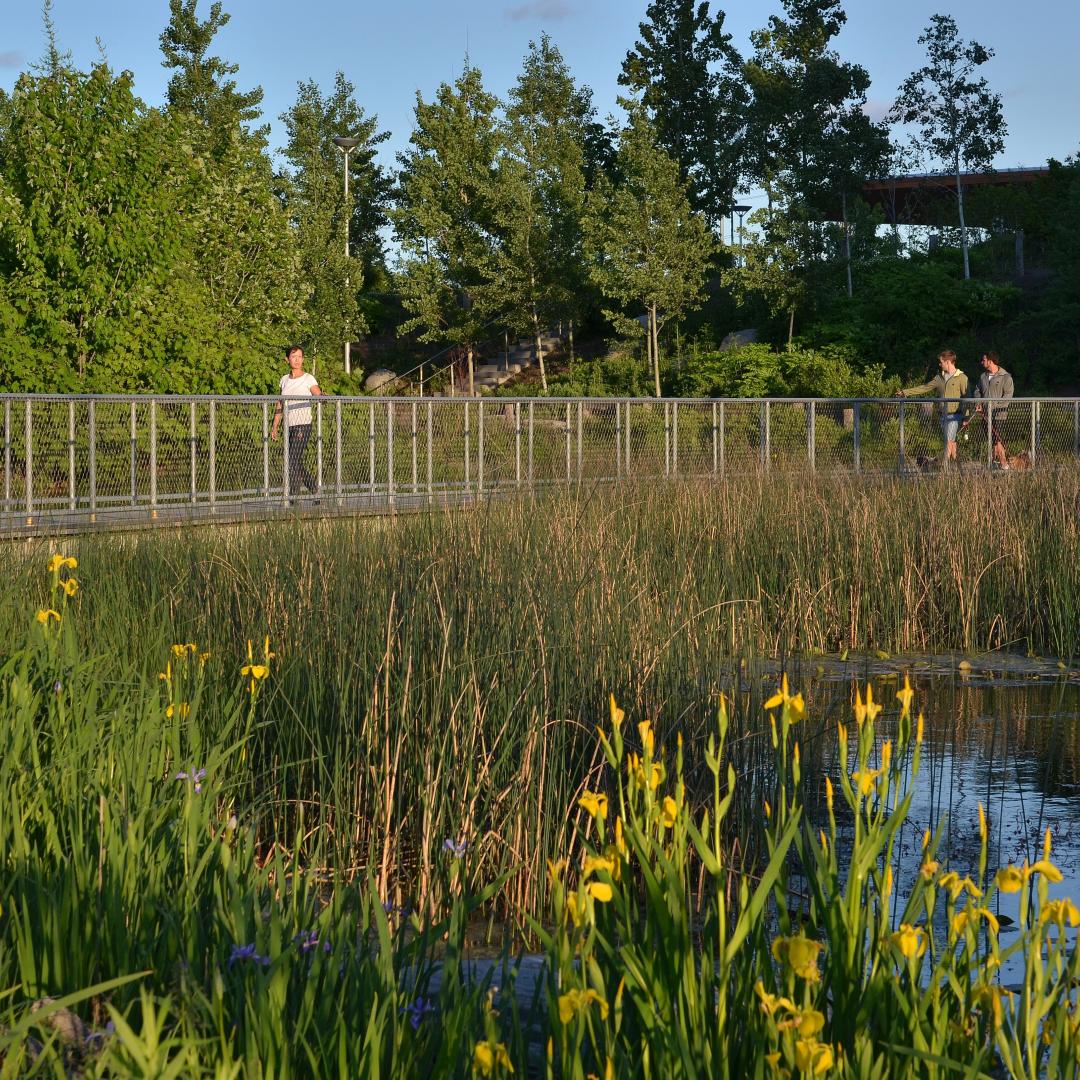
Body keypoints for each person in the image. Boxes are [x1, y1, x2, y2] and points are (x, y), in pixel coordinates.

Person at [896, 349, 970, 465]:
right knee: (952, 444)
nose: (940, 364)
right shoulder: (938, 378)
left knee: (948, 442)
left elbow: (967, 399)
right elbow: (924, 387)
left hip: (955, 416)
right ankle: (961, 472)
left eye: (941, 362)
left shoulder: (962, 378)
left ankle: (943, 471)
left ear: (948, 362)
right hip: (942, 416)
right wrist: (905, 392)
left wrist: (966, 417)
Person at [271, 346, 323, 499]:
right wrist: (275, 426)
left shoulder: (308, 378)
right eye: (294, 357)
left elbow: (317, 393)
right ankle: (313, 490)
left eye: (300, 357)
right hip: (289, 425)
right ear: (287, 359)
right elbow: (280, 403)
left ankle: (295, 496)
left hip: (303, 425)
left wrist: (323, 396)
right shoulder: (284, 380)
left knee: (292, 459)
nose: (297, 360)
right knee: (292, 461)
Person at [964, 350, 1015, 470]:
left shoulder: (1006, 376)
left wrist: (994, 405)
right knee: (993, 441)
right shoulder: (983, 376)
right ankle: (993, 464)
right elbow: (977, 391)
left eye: (984, 360)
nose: (982, 362)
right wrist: (979, 402)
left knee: (997, 440)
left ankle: (1003, 464)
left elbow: (1008, 396)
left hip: (999, 414)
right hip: (985, 415)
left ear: (990, 361)